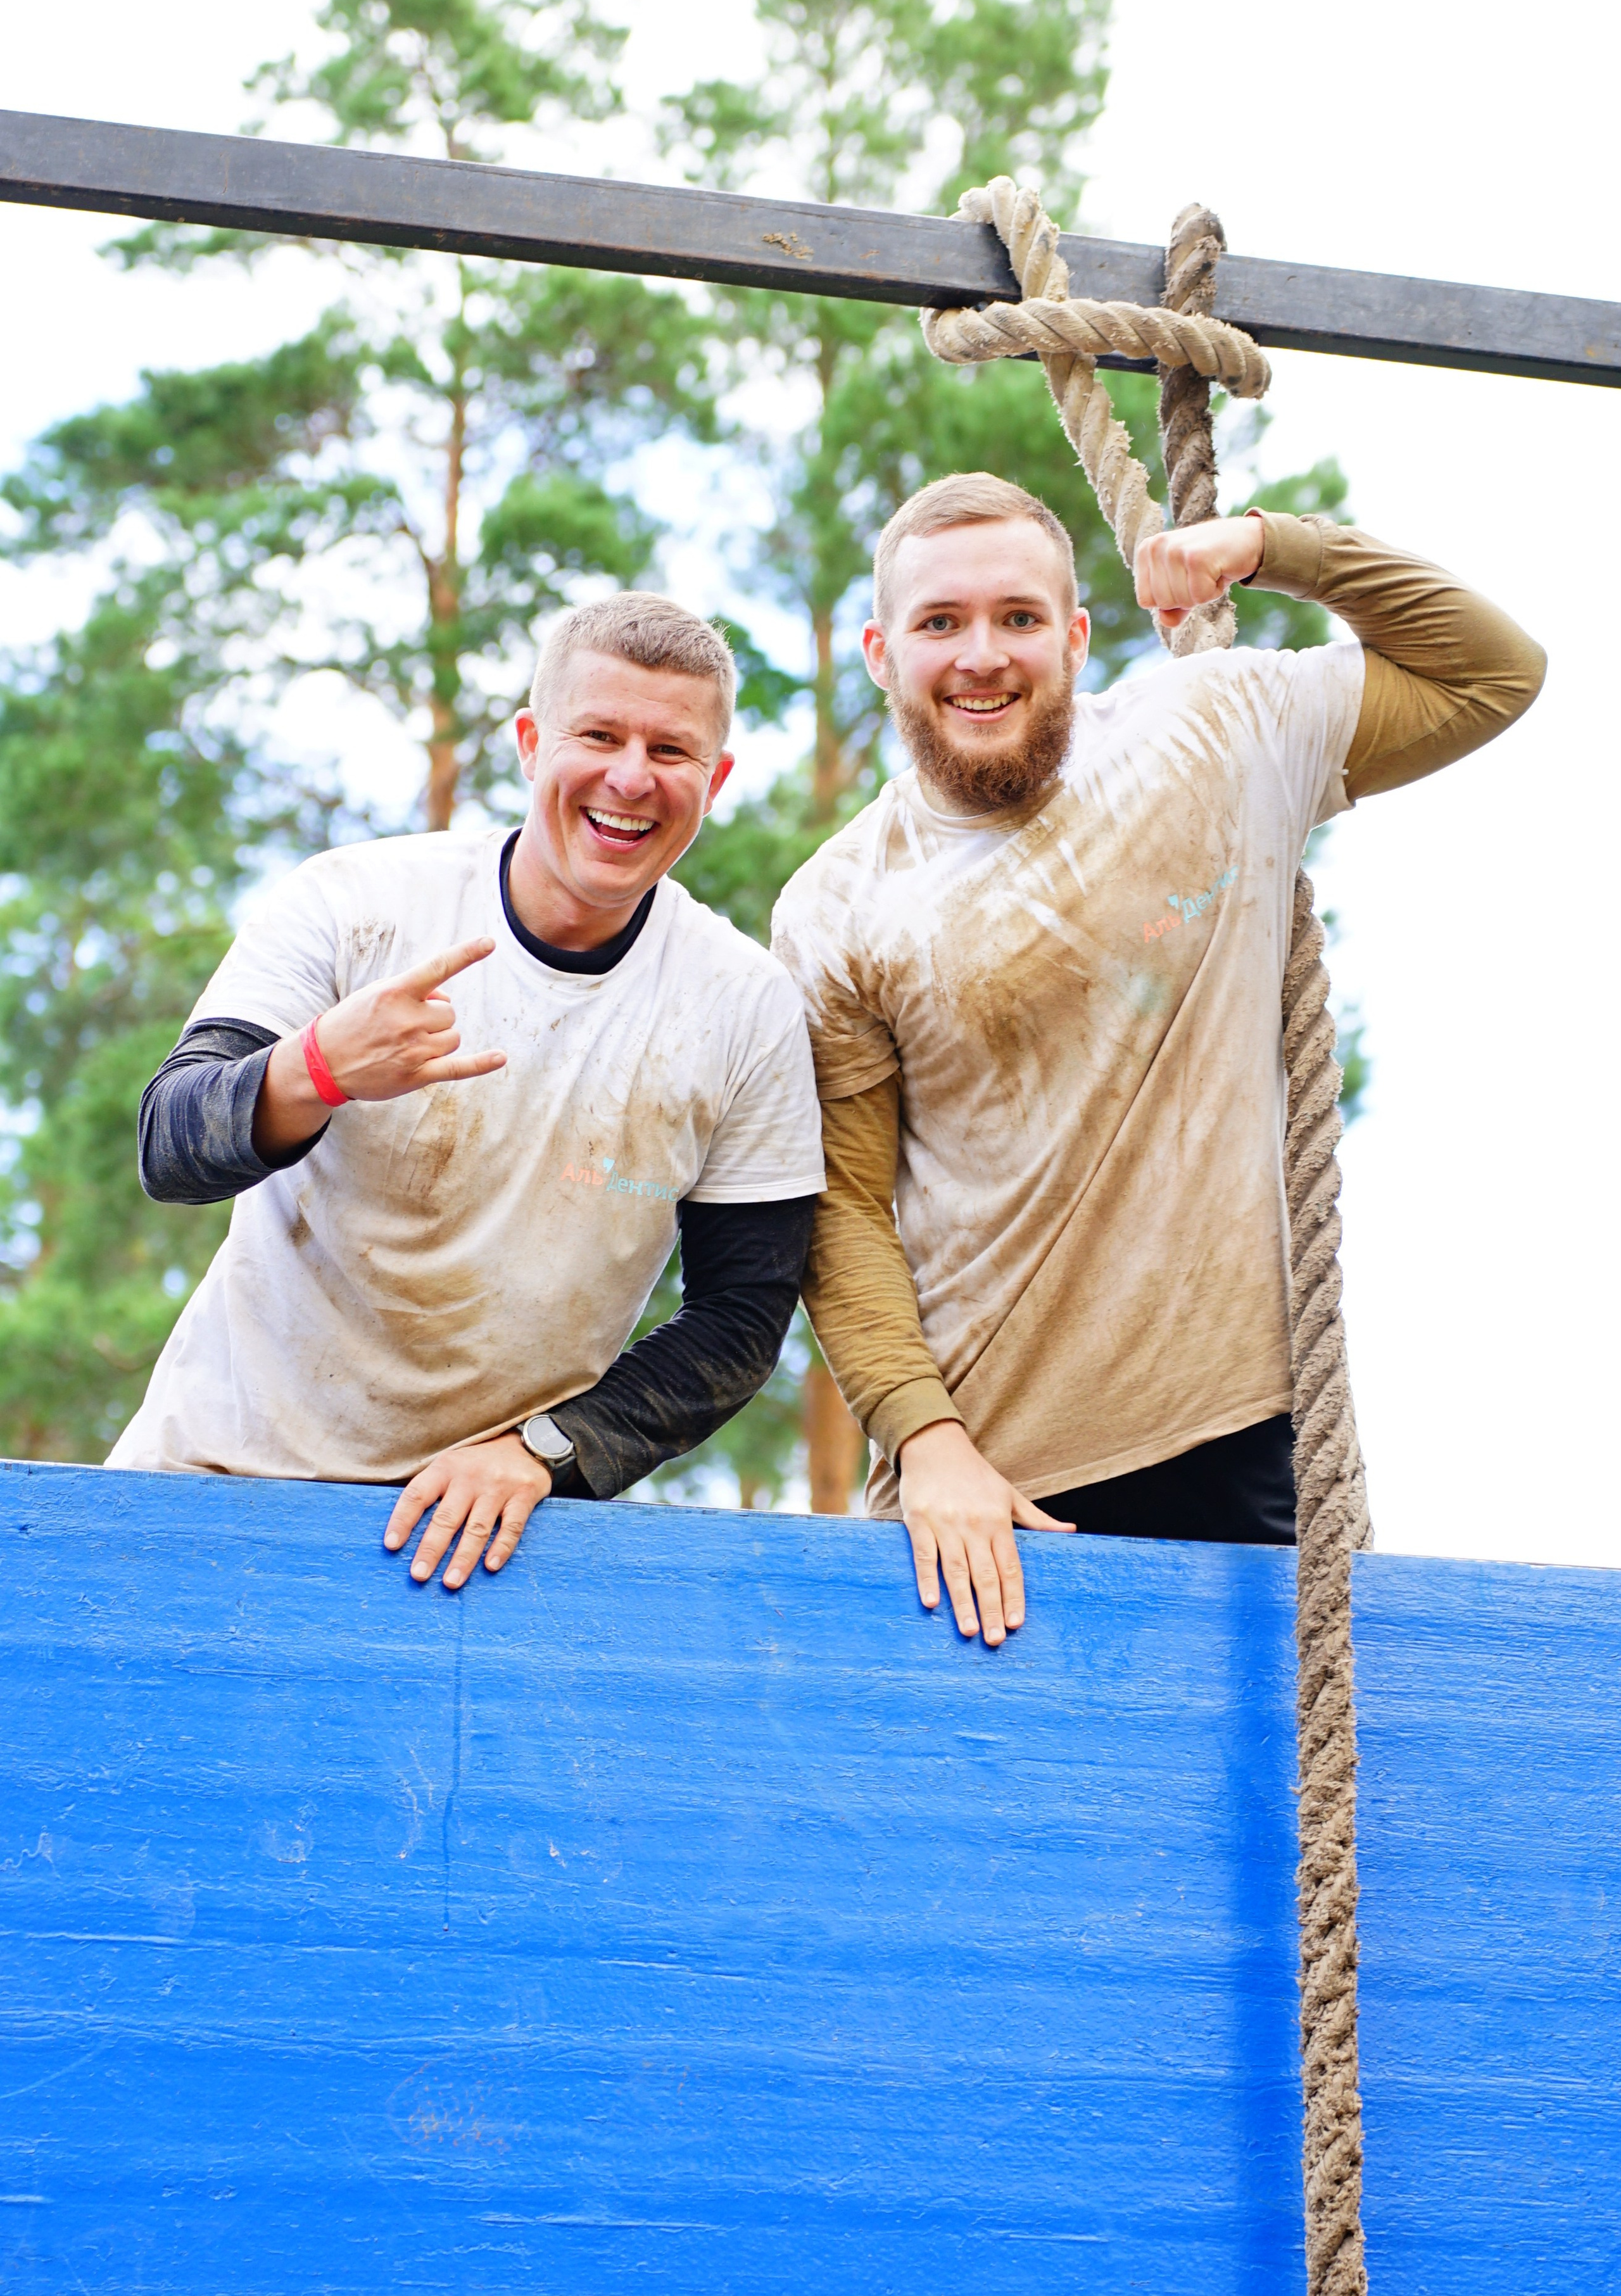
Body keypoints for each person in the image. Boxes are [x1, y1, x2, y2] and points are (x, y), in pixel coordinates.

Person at [771, 476, 1544, 1648]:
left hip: (1237, 1432)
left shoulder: (1215, 728)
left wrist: (1271, 546)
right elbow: (842, 1209)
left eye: (1019, 618)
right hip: (986, 1480)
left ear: (1075, 636)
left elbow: (1493, 671)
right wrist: (924, 1442)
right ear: (881, 653)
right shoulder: (837, 904)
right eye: (941, 624)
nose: (982, 656)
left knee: (1293, 1821)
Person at [112, 594, 826, 1588]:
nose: (630, 777)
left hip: (479, 1543)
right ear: (531, 744)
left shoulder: (745, 1005)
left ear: (718, 778)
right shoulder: (356, 903)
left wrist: (548, 1451)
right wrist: (317, 1068)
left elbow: (742, 1317)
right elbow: (169, 1147)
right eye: (599, 734)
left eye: (672, 751)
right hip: (212, 1484)